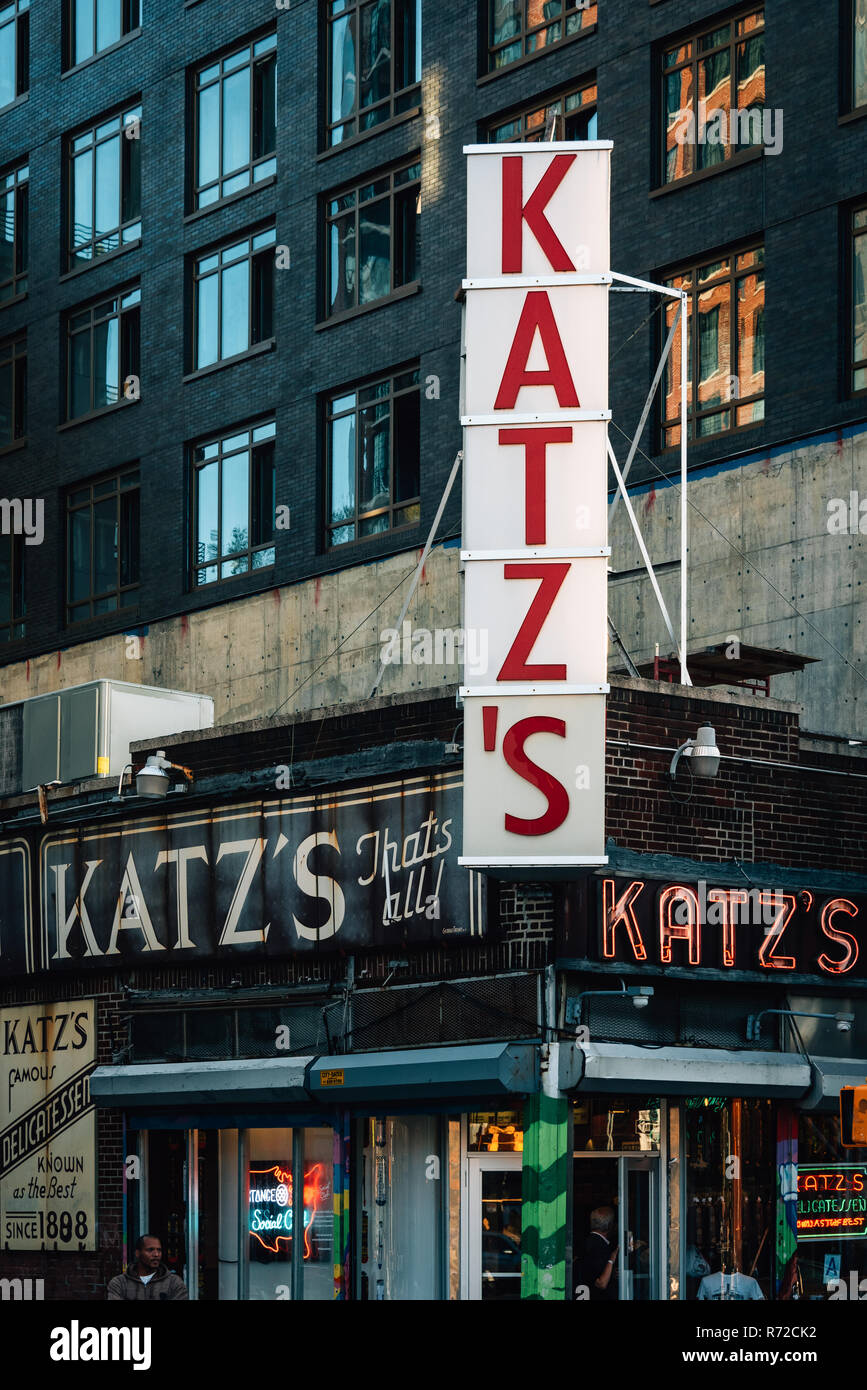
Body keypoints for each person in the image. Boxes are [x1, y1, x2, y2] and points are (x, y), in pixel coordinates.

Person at [107, 1234, 189, 1300]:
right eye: (150, 1250)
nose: (156, 1254)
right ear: (137, 1253)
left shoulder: (174, 1283)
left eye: (159, 1250)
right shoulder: (120, 1283)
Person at [575, 1206, 619, 1300]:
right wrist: (611, 1259)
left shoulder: (587, 1242)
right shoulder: (598, 1246)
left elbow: (592, 1272)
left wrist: (612, 1272)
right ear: (610, 1226)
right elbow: (601, 1283)